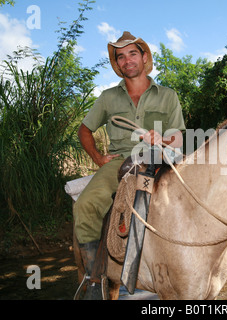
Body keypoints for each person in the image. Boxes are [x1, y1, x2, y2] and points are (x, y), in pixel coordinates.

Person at [73, 31, 186, 299]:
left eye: (132, 53)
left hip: (158, 158)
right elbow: (84, 130)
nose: (127, 60)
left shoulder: (167, 95)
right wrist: (99, 159)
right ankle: (93, 280)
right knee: (85, 205)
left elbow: (179, 137)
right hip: (121, 162)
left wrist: (163, 138)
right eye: (120, 57)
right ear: (118, 64)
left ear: (144, 57)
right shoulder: (108, 97)